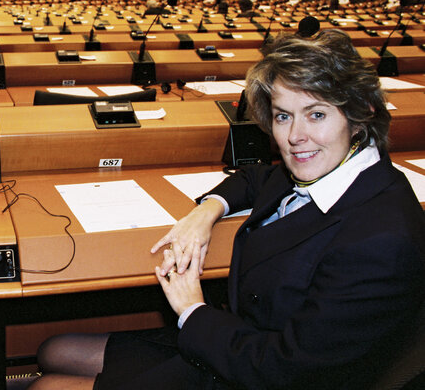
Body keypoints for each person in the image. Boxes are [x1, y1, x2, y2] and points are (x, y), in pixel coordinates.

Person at [31, 32, 425, 390]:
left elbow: (286, 368)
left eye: (316, 114)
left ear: (362, 113)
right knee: (53, 349)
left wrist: (191, 308)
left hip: (257, 370)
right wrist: (206, 212)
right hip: (236, 336)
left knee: (45, 387)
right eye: (283, 115)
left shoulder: (381, 241)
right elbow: (256, 178)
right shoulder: (337, 165)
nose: (293, 137)